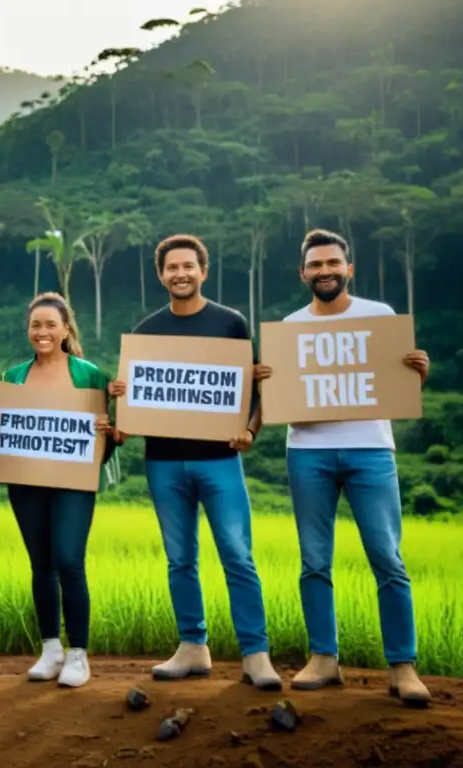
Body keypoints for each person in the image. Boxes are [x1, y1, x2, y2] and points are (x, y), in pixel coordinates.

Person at [254, 229, 432, 707]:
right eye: (316, 266)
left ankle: (402, 665)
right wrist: (266, 381)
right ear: (303, 273)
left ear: (348, 269)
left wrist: (416, 371)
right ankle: (324, 659)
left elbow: (397, 380)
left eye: (333, 263)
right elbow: (279, 395)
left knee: (388, 559)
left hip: (371, 451)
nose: (325, 271)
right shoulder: (289, 327)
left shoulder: (380, 318)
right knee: (314, 562)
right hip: (307, 452)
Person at [110, 234, 281, 691]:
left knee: (237, 555)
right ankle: (192, 646)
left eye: (189, 266)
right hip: (164, 461)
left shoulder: (230, 323)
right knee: (179, 558)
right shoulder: (146, 332)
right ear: (161, 275)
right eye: (172, 268)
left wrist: (251, 430)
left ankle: (255, 653)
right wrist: (122, 403)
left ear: (203, 271)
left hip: (219, 460)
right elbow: (134, 404)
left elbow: (255, 387)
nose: (180, 274)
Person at [0, 292, 125, 689]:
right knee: (41, 564)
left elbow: (113, 437)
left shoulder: (90, 375)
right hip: (27, 484)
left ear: (66, 328)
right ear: (28, 330)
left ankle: (78, 654)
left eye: (51, 324)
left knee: (69, 560)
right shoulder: (13, 376)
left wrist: (110, 431)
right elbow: (2, 430)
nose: (43, 332)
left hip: (73, 483)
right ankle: (51, 648)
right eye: (36, 325)